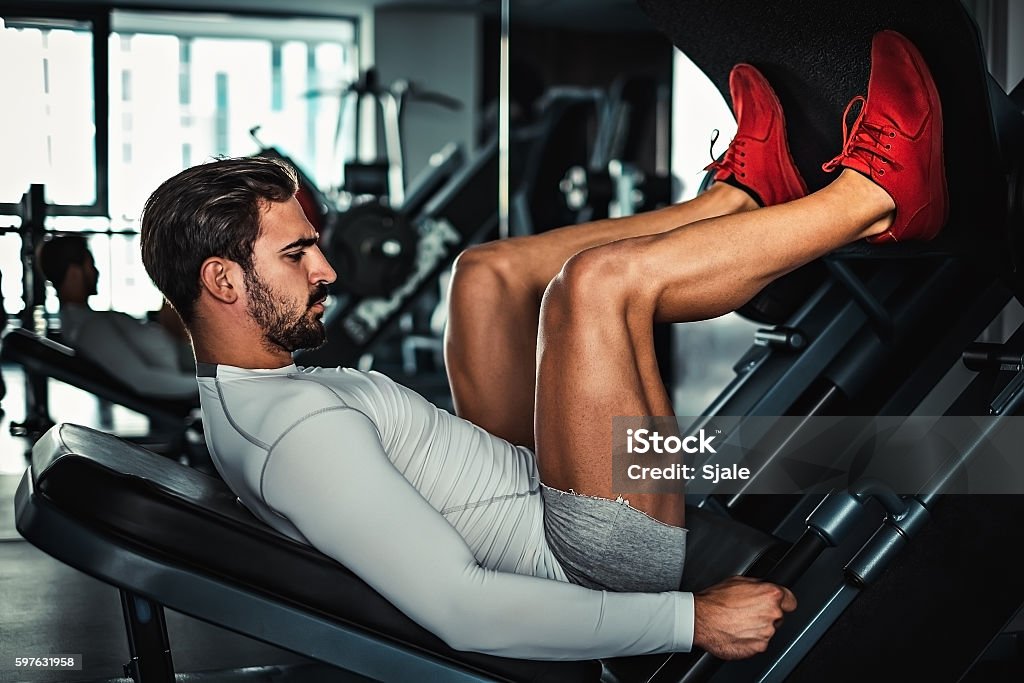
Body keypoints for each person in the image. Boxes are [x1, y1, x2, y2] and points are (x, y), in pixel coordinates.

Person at [138, 31, 943, 661]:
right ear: (224, 281)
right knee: (592, 287)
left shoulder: (252, 395)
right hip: (588, 559)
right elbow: (463, 609)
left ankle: (743, 197)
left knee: (484, 274)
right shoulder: (295, 437)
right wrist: (690, 618)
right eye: (296, 254)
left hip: (524, 495)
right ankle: (872, 199)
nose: (329, 269)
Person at [37, 234, 198, 401]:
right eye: (90, 265)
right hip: (191, 368)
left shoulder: (82, 323)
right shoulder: (91, 329)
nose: (96, 272)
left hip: (190, 360)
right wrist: (210, 387)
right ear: (74, 273)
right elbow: (143, 380)